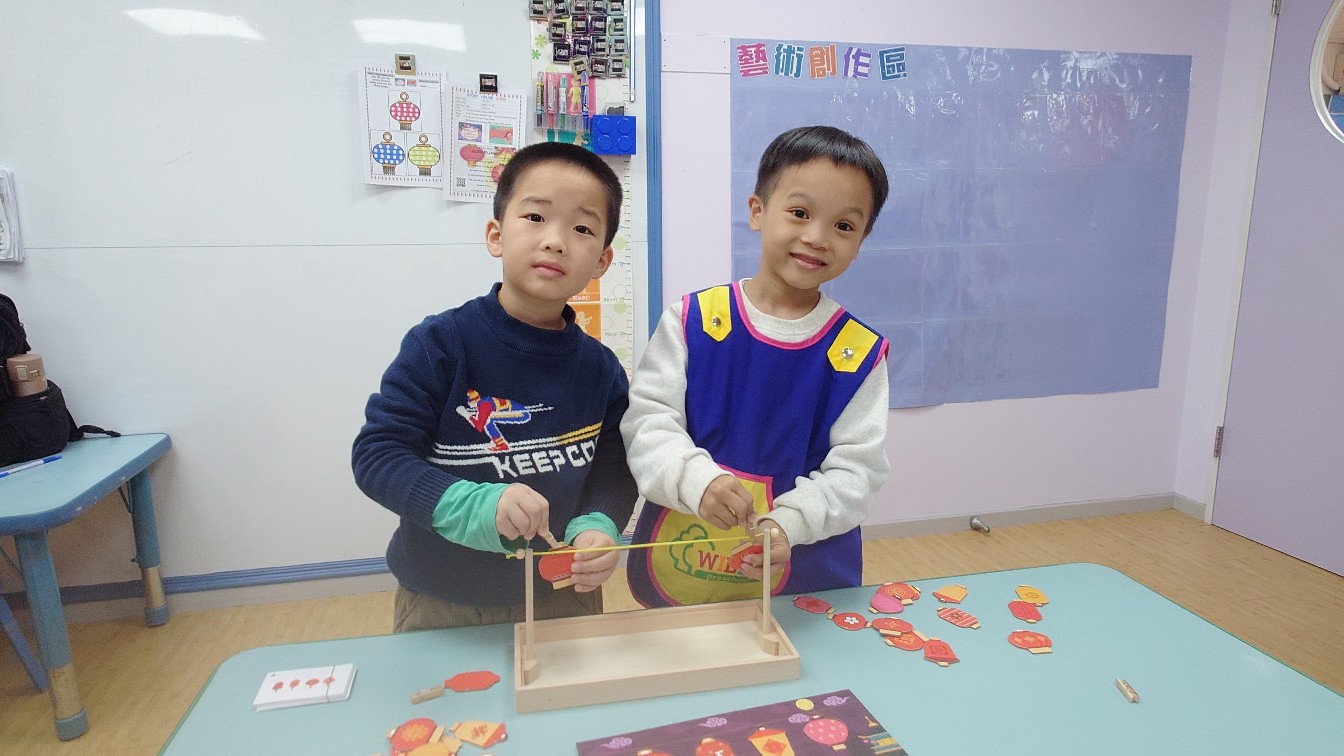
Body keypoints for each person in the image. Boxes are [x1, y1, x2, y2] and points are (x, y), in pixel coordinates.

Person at [353, 141, 637, 631]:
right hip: (441, 599)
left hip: (563, 596)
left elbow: (614, 468)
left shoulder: (601, 368)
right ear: (496, 235)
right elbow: (378, 456)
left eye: (582, 228)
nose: (556, 241)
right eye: (535, 217)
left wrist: (600, 524)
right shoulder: (440, 345)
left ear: (602, 262)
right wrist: (472, 505)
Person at [622, 125, 891, 608]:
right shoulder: (693, 320)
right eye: (800, 213)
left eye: (844, 226)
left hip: (805, 570)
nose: (817, 237)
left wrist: (789, 523)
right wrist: (697, 482)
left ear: (862, 240)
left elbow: (857, 473)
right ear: (757, 211)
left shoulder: (858, 352)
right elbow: (648, 424)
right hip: (684, 556)